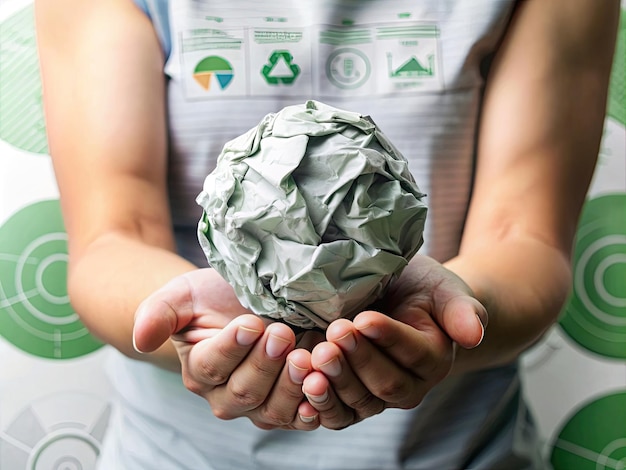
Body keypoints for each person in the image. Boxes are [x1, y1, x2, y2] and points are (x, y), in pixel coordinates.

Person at [35, 0, 619, 468]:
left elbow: (525, 235)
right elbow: (112, 235)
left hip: (456, 450)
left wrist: (453, 312)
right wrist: (202, 334)